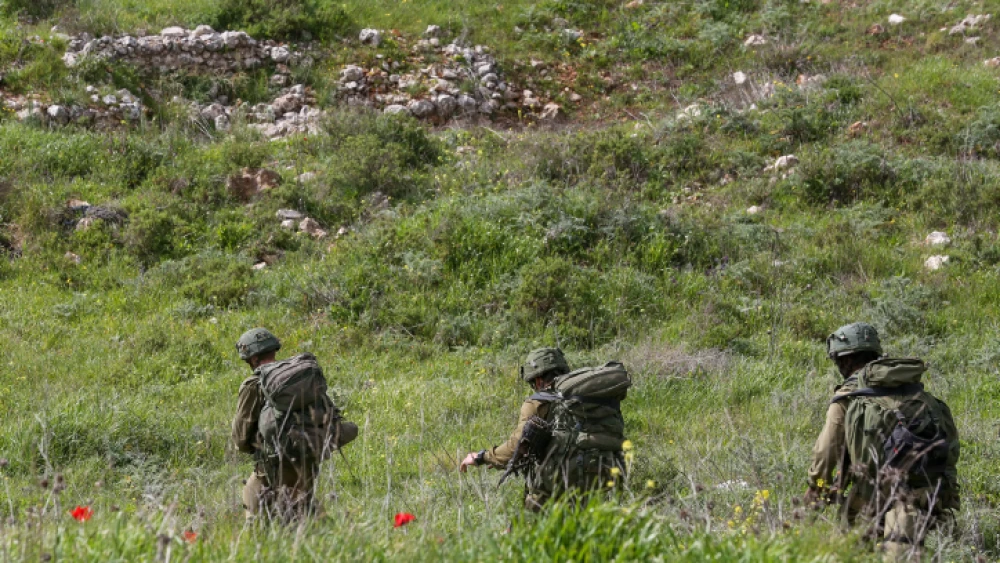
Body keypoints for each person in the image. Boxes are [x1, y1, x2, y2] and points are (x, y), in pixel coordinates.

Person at [806, 322, 959, 559]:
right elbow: (950, 446)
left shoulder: (847, 398)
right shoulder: (914, 391)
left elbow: (825, 453)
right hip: (927, 496)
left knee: (844, 555)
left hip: (869, 500)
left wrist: (816, 490)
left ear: (844, 360)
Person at [461, 347, 629, 511]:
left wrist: (483, 457)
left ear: (538, 379)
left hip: (562, 482)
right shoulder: (593, 397)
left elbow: (516, 445)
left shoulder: (538, 402)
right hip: (607, 474)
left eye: (533, 384)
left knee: (533, 523)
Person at [232, 328, 357, 522]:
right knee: (304, 504)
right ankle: (332, 532)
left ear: (252, 358)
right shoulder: (297, 377)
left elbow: (241, 439)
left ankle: (253, 537)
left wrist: (256, 446)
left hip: (274, 462)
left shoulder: (254, 384)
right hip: (310, 455)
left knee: (254, 508)